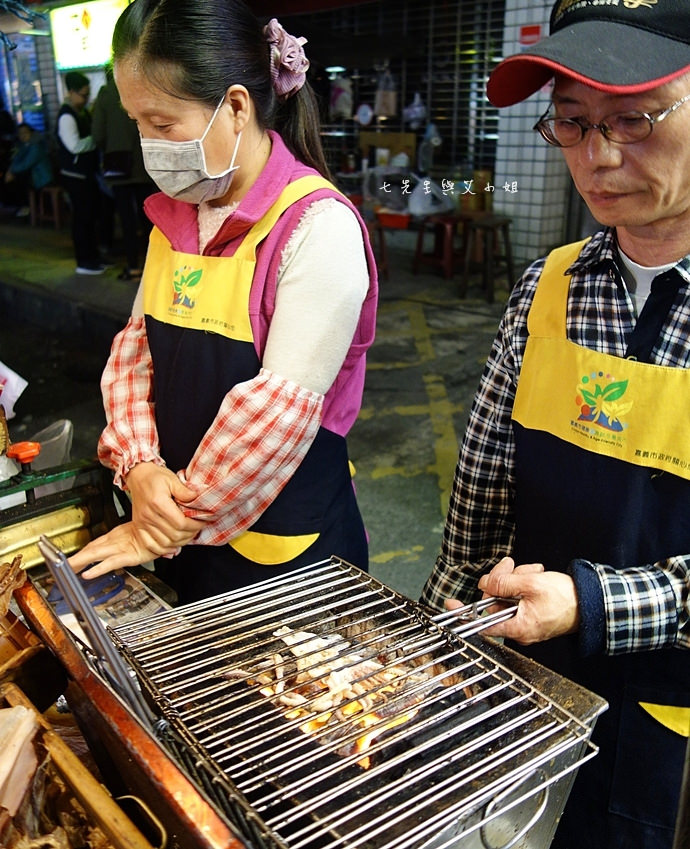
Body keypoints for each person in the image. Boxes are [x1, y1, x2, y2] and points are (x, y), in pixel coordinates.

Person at [420, 2, 690, 848]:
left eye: (634, 120)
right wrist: (426, 645)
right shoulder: (547, 287)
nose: (599, 158)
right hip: (528, 685)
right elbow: (481, 500)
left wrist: (592, 600)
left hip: (671, 720)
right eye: (571, 125)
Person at [69, 0, 378, 605]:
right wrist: (139, 468)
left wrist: (162, 524)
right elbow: (134, 358)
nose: (149, 146)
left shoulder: (317, 227)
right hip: (174, 531)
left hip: (282, 554)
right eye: (137, 125)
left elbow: (276, 416)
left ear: (236, 107)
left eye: (163, 125)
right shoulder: (173, 223)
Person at [91, 65, 156, 281]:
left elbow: (97, 133)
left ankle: (133, 266)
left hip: (119, 165)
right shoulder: (143, 87)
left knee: (126, 219)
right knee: (150, 217)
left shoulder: (106, 94)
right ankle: (154, 268)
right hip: (145, 162)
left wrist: (109, 145)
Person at [56, 71, 108, 275]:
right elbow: (74, 146)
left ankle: (94, 257)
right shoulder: (66, 116)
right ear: (71, 92)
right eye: (83, 95)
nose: (86, 99)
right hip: (75, 176)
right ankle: (84, 261)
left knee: (91, 216)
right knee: (82, 218)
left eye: (87, 95)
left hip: (86, 175)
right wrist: (96, 138)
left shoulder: (80, 112)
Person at [4, 123, 54, 216]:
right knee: (14, 180)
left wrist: (11, 171)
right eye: (20, 133)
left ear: (31, 133)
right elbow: (16, 159)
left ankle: (27, 207)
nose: (23, 136)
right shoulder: (23, 145)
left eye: (25, 133)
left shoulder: (36, 146)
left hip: (41, 178)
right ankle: (24, 207)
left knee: (19, 180)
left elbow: (26, 164)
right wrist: (10, 170)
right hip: (32, 175)